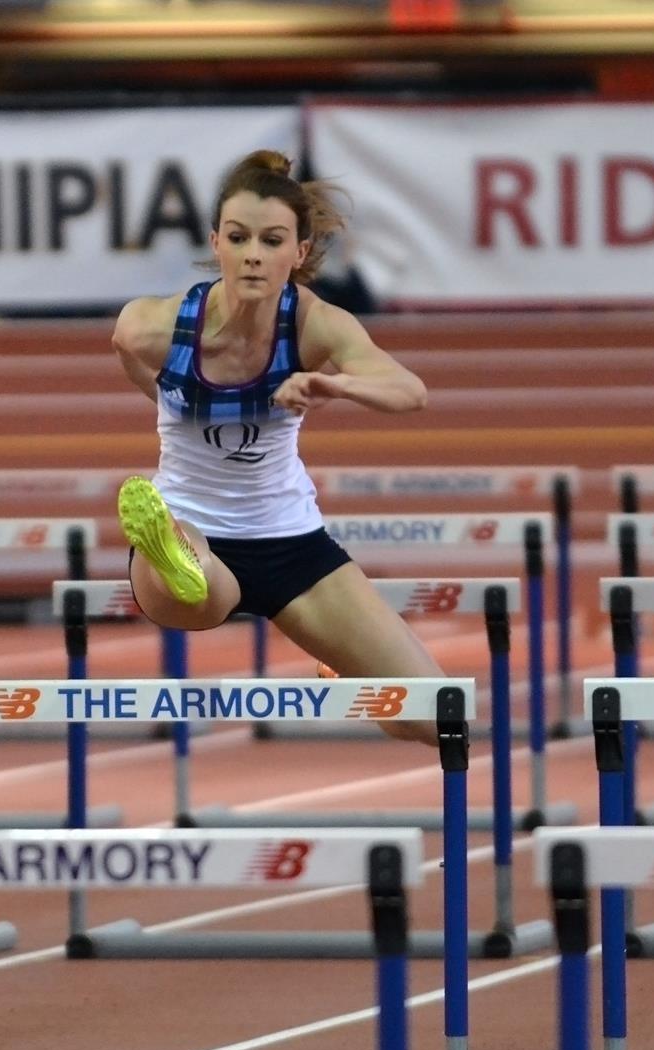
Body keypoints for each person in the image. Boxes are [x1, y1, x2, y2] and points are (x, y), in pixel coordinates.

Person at [112, 150, 439, 744]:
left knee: (436, 716)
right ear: (216, 243)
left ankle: (346, 673)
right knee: (206, 589)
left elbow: (409, 391)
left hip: (292, 545)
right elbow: (128, 350)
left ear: (300, 252)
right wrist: (171, 405)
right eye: (237, 238)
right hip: (195, 529)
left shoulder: (316, 325)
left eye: (271, 240)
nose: (253, 254)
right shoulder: (154, 327)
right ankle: (170, 548)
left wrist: (333, 383)